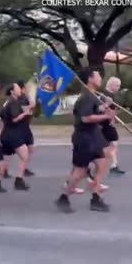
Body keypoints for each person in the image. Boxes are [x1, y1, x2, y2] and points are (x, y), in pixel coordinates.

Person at [55, 68, 112, 213]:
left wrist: (105, 106)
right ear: (90, 79)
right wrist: (105, 116)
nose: (100, 77)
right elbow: (85, 118)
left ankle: (95, 196)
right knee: (80, 171)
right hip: (84, 138)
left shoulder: (91, 96)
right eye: (98, 75)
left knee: (103, 161)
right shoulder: (86, 96)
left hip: (93, 136)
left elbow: (93, 110)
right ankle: (64, 197)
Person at [0, 83, 31, 191]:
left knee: (4, 158)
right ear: (12, 91)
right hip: (12, 134)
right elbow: (14, 119)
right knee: (25, 155)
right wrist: (25, 113)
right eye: (17, 88)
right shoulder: (12, 102)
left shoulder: (10, 102)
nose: (20, 90)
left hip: (7, 133)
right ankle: (19, 180)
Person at [101, 77, 126, 175]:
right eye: (117, 85)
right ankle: (112, 166)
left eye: (119, 86)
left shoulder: (109, 95)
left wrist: (114, 117)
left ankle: (113, 165)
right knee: (111, 144)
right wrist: (112, 120)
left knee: (112, 144)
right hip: (105, 124)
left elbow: (112, 111)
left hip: (108, 124)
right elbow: (105, 110)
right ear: (111, 84)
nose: (118, 87)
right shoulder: (106, 95)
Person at [16, 80, 36, 177]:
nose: (27, 88)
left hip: (26, 126)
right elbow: (27, 108)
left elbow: (33, 105)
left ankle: (25, 167)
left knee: (30, 148)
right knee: (20, 150)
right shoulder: (19, 98)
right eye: (25, 86)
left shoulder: (25, 96)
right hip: (20, 127)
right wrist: (30, 106)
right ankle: (19, 172)